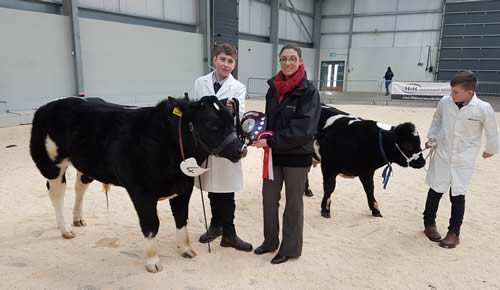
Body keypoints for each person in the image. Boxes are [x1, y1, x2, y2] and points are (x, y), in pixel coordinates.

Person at [252, 44, 321, 264]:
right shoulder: (273, 88)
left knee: (293, 204)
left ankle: (290, 248)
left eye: (292, 58)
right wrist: (258, 131)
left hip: (296, 157)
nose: (288, 63)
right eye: (283, 59)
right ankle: (270, 241)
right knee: (269, 200)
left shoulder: (309, 91)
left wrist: (271, 140)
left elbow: (304, 128)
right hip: (273, 155)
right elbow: (270, 120)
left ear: (300, 61)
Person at [423, 70, 499, 249]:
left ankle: (454, 232)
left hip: (464, 158)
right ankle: (429, 224)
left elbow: (492, 132)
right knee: (435, 189)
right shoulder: (445, 102)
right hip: (443, 152)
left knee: (457, 194)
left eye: (456, 92)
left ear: (469, 92)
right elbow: (437, 120)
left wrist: (491, 149)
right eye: (451, 90)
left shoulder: (483, 108)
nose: (452, 95)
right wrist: (432, 138)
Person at [191, 43, 252, 252]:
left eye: (230, 61)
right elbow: (196, 110)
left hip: (227, 143)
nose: (226, 64)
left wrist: (232, 110)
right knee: (212, 188)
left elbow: (241, 116)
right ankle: (216, 225)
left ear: (234, 64)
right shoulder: (200, 83)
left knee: (227, 191)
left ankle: (230, 233)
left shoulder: (239, 87)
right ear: (215, 60)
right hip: (207, 144)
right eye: (223, 59)